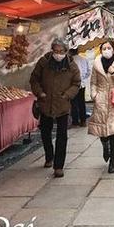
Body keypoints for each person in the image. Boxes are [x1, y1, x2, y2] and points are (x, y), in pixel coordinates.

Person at [30, 38, 81, 178]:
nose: (58, 54)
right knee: (45, 132)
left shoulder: (71, 65)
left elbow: (76, 83)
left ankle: (59, 166)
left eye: (61, 51)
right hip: (45, 102)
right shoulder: (44, 62)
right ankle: (49, 155)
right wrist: (40, 92)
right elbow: (34, 79)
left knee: (62, 136)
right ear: (52, 50)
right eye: (56, 51)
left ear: (66, 51)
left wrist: (67, 95)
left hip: (63, 104)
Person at [88, 41, 114, 174]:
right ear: (101, 50)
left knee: (113, 131)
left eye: (109, 48)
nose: (106, 50)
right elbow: (93, 82)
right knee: (102, 132)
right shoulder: (96, 64)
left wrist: (113, 72)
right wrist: (94, 95)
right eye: (104, 48)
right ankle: (105, 147)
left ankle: (113, 160)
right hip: (100, 100)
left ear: (113, 49)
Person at [69, 47, 90, 127]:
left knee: (74, 102)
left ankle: (75, 122)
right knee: (81, 102)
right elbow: (88, 71)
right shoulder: (84, 59)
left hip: (73, 84)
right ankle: (83, 121)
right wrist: (83, 78)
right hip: (82, 84)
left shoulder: (69, 61)